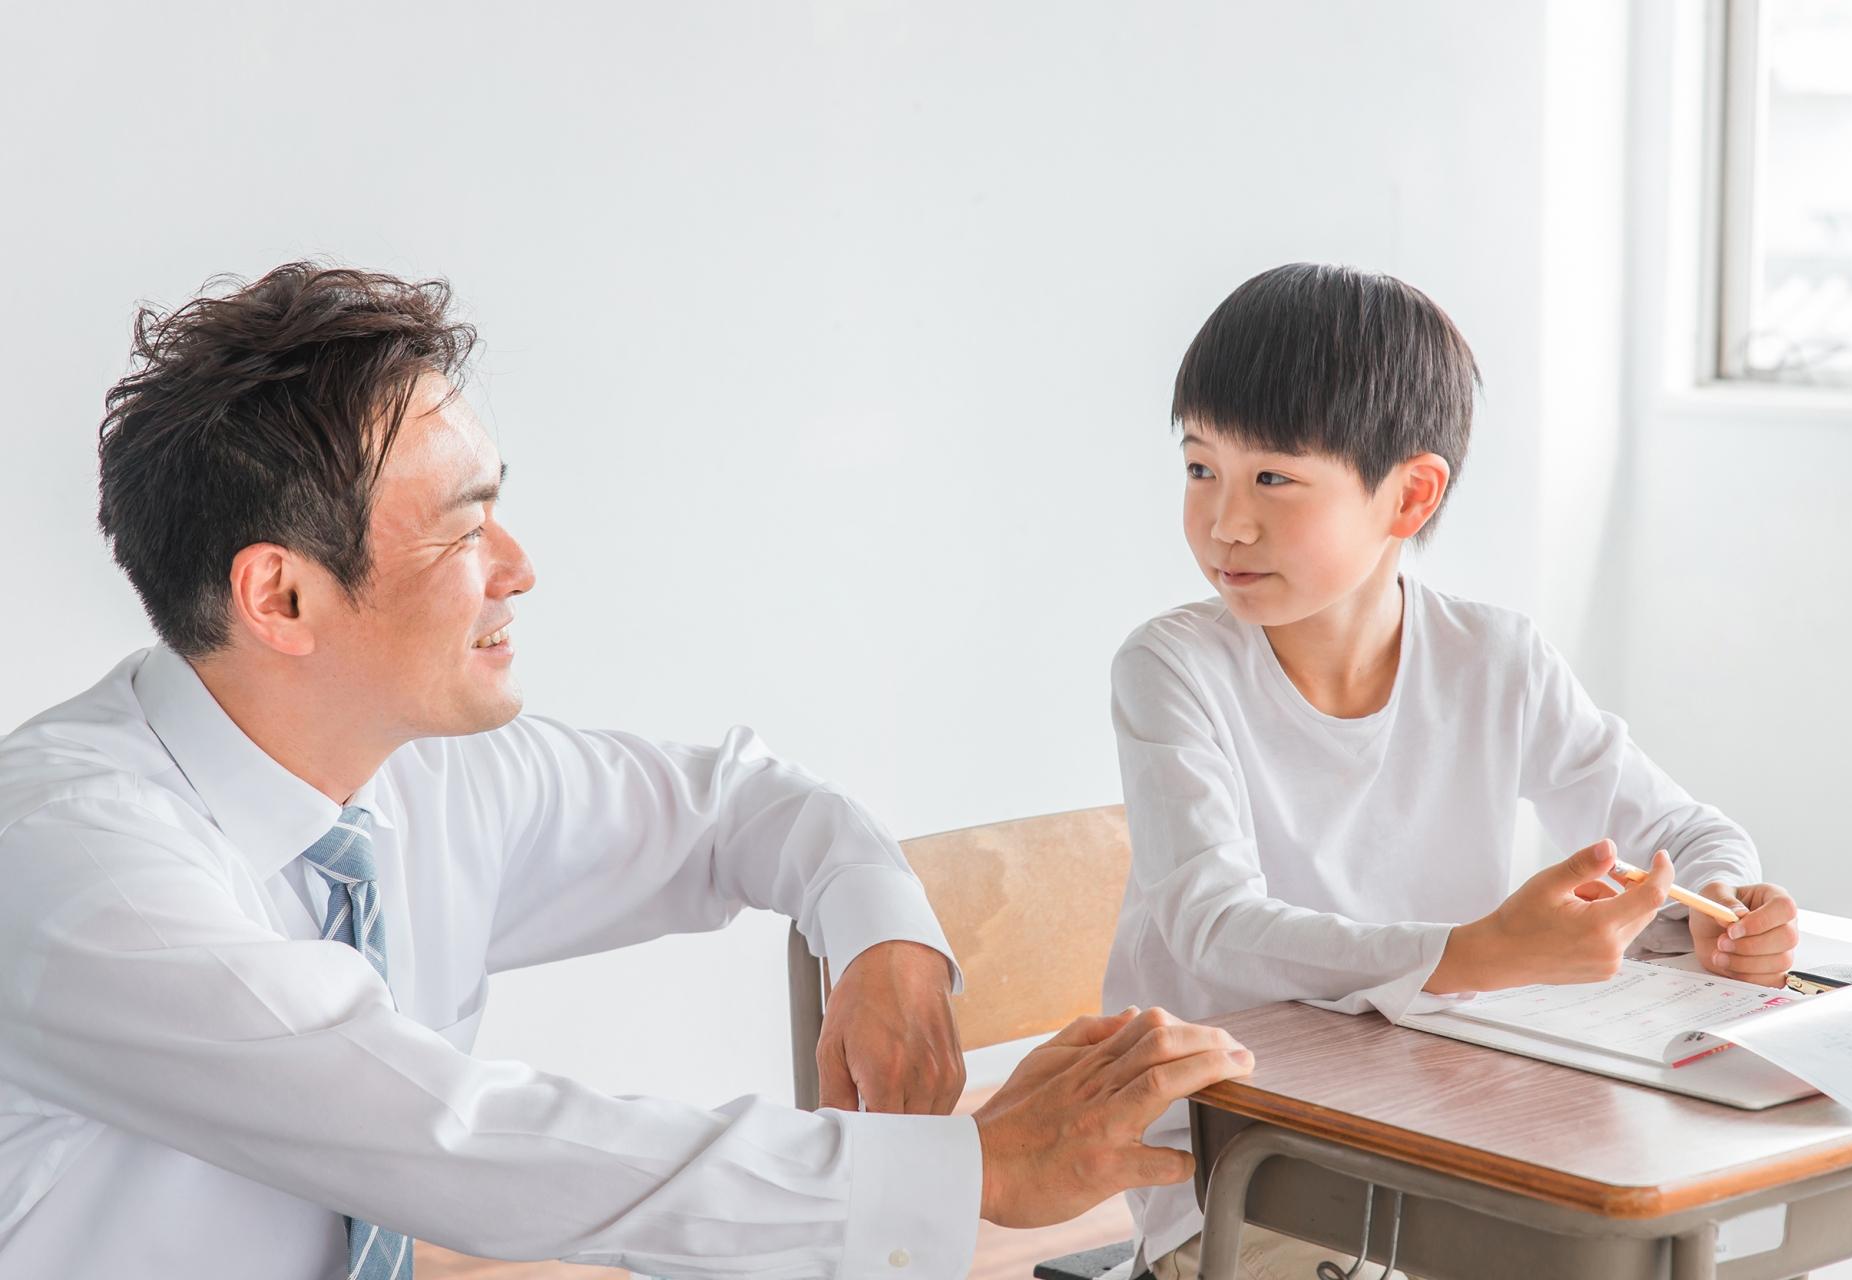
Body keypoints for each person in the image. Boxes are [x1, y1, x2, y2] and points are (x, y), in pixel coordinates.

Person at [0, 262, 1252, 1280]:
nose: (520, 564)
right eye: (462, 526)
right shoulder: (77, 871)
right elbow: (458, 1145)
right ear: (281, 593)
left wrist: (887, 944)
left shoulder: (415, 772)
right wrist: (971, 1173)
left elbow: (741, 806)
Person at [1102, 263, 1800, 1279]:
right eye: (1202, 467)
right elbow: (1213, 926)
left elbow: (1686, 835)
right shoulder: (1172, 668)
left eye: (1273, 478)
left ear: (1410, 493)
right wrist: (1477, 951)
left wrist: (1726, 899)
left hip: (1451, 1130)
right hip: (1237, 1167)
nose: (1226, 521)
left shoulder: (1495, 661)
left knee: (1701, 1244)